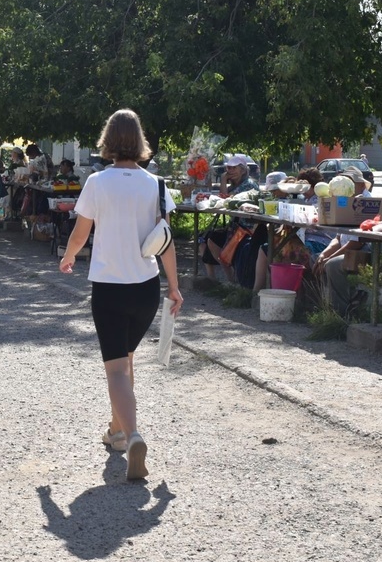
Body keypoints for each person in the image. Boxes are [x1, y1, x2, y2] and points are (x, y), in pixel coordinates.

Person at [60, 109, 183, 482]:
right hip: (145, 289)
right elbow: (166, 243)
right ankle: (116, 432)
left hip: (109, 288)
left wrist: (67, 257)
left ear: (108, 140)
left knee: (115, 369)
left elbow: (81, 234)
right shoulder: (156, 185)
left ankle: (133, 438)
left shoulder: (97, 182)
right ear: (140, 140)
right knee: (126, 362)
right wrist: (174, 287)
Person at [314, 167, 382, 316]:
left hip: (369, 252)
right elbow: (338, 239)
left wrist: (329, 258)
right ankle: (315, 305)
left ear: (359, 185)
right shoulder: (346, 204)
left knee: (332, 265)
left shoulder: (366, 204)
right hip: (352, 250)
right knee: (316, 258)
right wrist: (324, 254)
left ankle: (340, 313)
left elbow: (357, 243)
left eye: (351, 182)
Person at [201, 155, 260, 283]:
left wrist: (223, 180)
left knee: (213, 241)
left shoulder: (248, 185)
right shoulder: (235, 185)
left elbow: (225, 200)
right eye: (229, 168)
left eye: (234, 168)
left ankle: (232, 280)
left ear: (243, 170)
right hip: (235, 226)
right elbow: (224, 197)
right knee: (205, 239)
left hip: (246, 228)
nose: (230, 171)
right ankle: (215, 279)